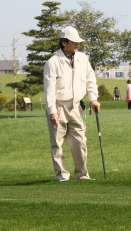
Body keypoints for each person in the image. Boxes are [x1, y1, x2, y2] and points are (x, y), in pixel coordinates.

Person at [43, 26, 100, 181]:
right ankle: (62, 175)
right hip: (58, 106)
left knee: (80, 142)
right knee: (57, 143)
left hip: (76, 107)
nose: (77, 44)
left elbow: (90, 79)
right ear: (64, 43)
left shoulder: (83, 58)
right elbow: (49, 90)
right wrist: (51, 111)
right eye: (74, 42)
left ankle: (82, 175)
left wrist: (93, 98)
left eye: (78, 41)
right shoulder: (53, 62)